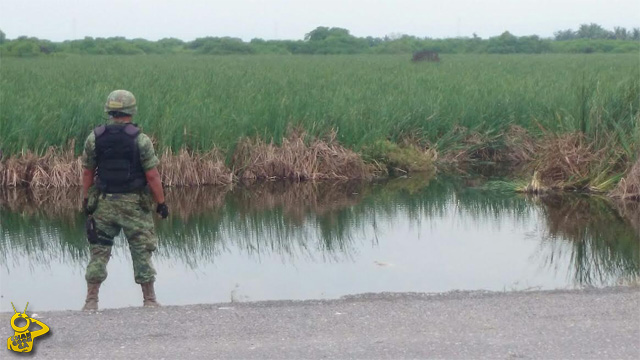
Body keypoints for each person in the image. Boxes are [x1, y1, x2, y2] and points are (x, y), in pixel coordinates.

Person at [81, 89, 169, 311]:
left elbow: (87, 173)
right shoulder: (140, 139)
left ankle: (91, 301)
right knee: (141, 250)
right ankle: (149, 300)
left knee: (99, 250)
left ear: (109, 111)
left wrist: (86, 199)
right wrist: (161, 202)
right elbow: (152, 176)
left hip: (103, 204)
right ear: (131, 110)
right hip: (134, 206)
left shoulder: (95, 137)